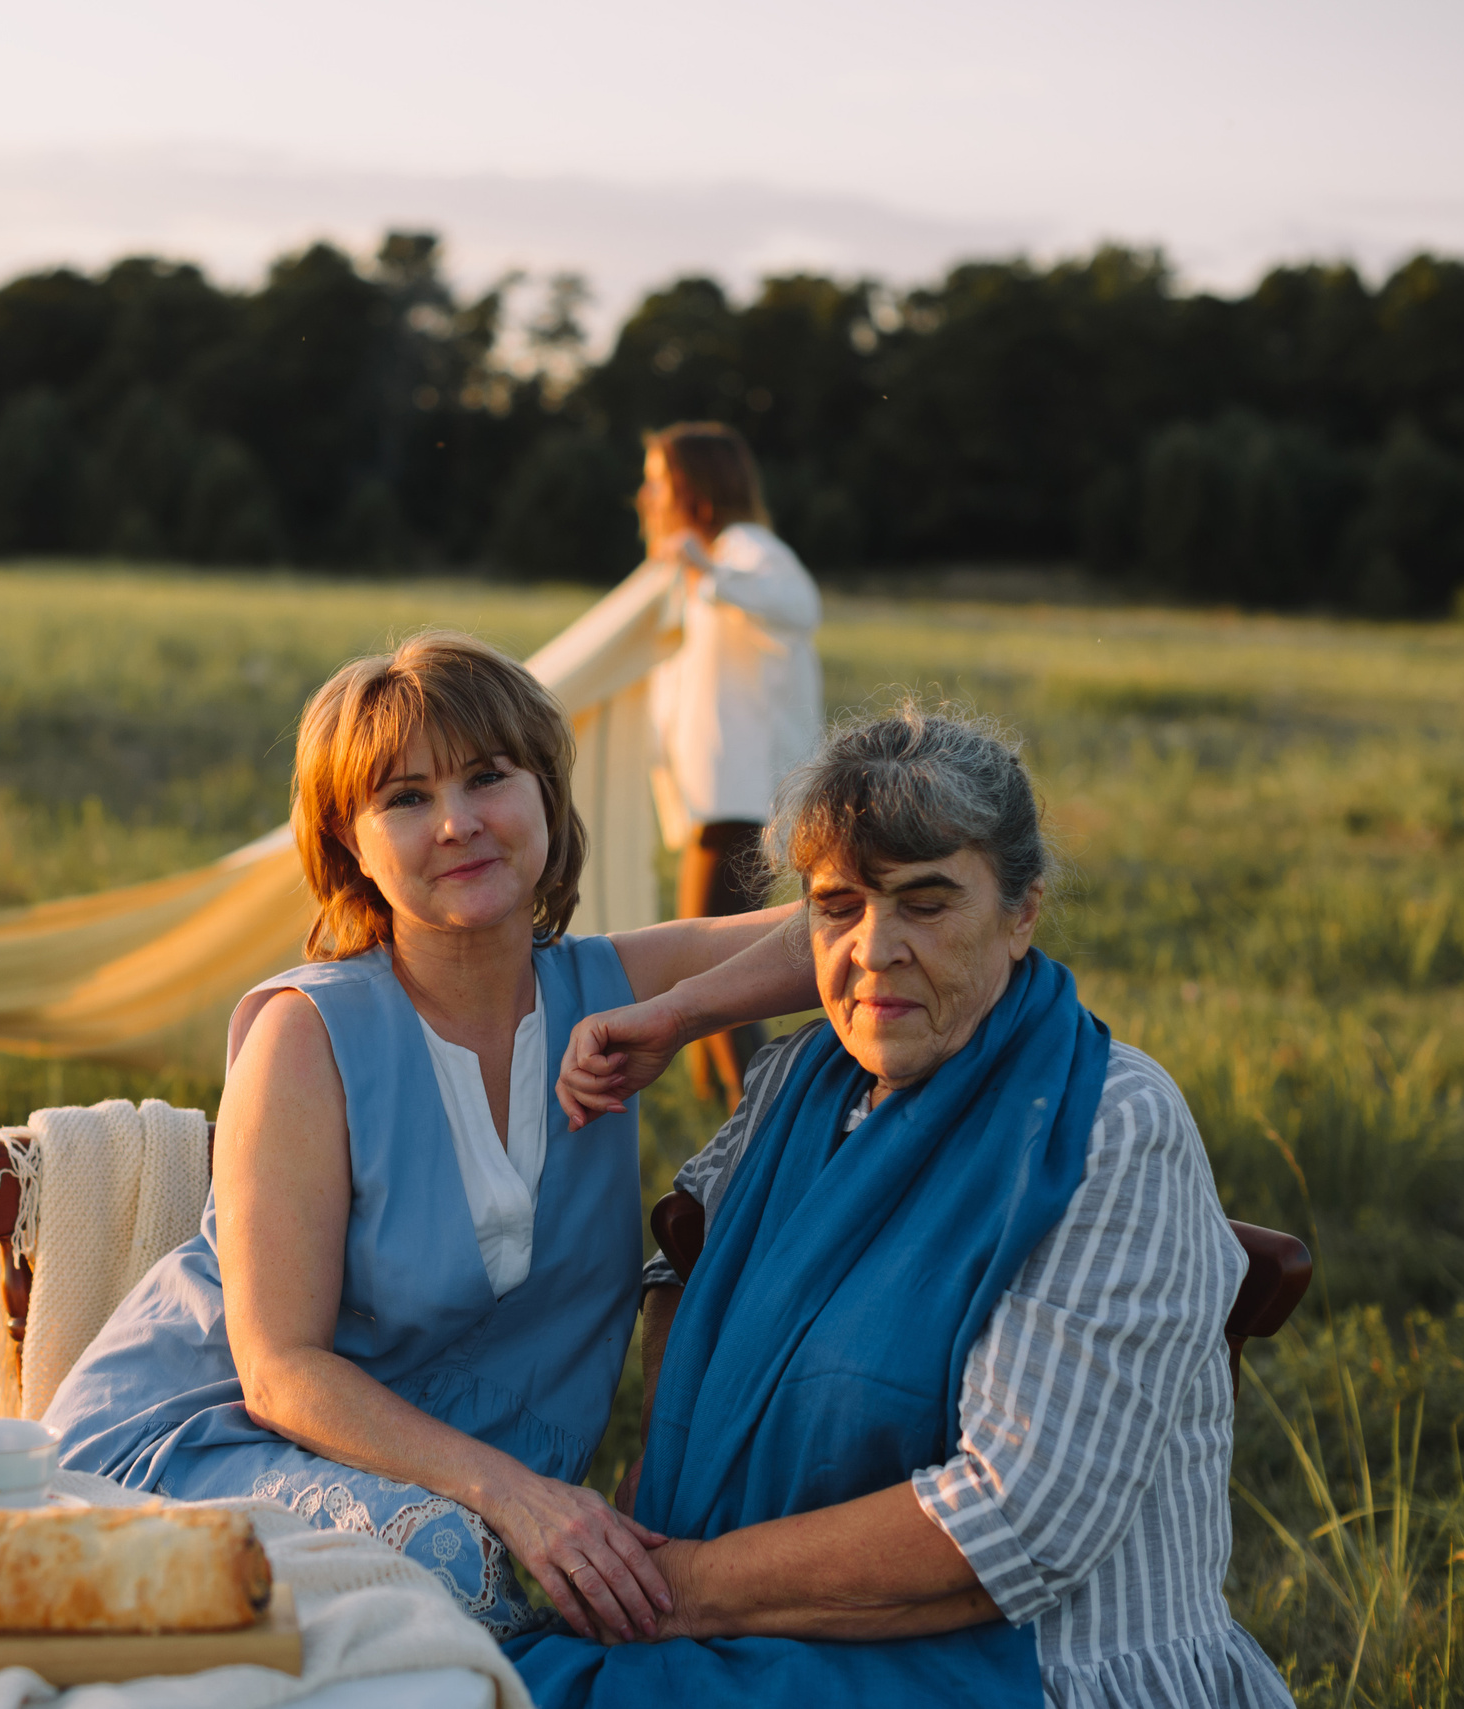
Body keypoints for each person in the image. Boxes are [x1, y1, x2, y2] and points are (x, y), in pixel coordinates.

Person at [520, 706, 1295, 1708]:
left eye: (928, 903)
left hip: (1045, 1666)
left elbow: (1011, 1525)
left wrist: (681, 1584)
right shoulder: (806, 1080)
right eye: (838, 906)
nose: (876, 948)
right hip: (765, 1627)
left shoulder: (1107, 1129)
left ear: (1023, 910)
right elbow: (685, 1252)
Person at [45, 633, 799, 1641]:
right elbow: (278, 1369)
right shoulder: (307, 1035)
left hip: (462, 1501)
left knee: (491, 1579)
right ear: (350, 842)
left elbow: (842, 933)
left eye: (487, 776)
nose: (456, 822)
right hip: (204, 1448)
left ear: (544, 794)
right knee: (455, 1569)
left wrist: (677, 1013)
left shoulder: (606, 989)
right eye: (403, 797)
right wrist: (516, 1495)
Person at [636, 423, 822, 1108]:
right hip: (713, 801)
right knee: (705, 977)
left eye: (658, 478)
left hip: (749, 799)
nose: (646, 494)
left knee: (717, 983)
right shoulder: (701, 570)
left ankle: (765, 1121)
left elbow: (801, 606)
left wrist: (708, 573)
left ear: (697, 489)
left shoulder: (750, 553)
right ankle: (732, 1126)